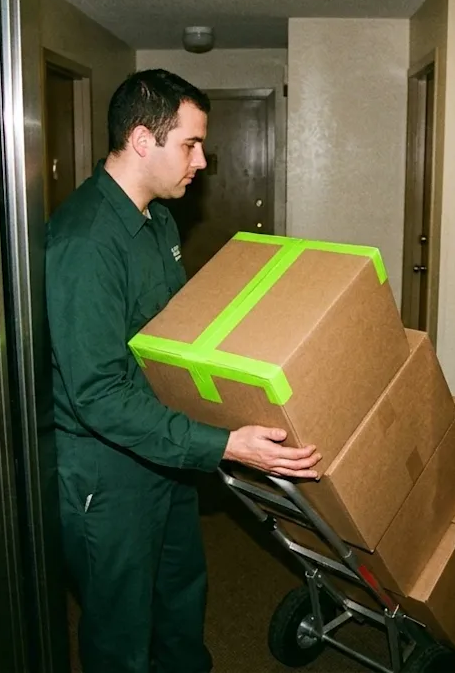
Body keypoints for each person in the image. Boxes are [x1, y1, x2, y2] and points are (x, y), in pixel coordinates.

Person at [44, 68, 324, 673]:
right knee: (121, 629)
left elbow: (170, 336)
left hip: (165, 450)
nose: (201, 161)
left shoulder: (159, 220)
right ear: (143, 140)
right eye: (191, 144)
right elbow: (98, 394)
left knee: (179, 597)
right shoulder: (85, 241)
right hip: (108, 470)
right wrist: (223, 443)